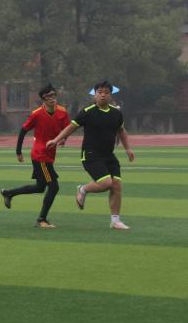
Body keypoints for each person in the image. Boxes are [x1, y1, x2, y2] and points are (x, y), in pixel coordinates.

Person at [46, 80, 135, 231]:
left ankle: (115, 221)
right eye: (99, 92)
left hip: (109, 155)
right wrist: (56, 140)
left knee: (116, 186)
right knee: (106, 183)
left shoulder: (116, 113)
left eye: (106, 93)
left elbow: (121, 131)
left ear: (110, 95)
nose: (103, 95)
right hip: (91, 154)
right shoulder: (87, 112)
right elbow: (71, 127)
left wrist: (128, 149)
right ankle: (83, 189)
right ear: (94, 95)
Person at [0, 84, 71, 229]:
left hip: (50, 155)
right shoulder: (36, 114)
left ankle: (9, 193)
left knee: (40, 187)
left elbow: (68, 128)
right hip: (40, 155)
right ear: (43, 99)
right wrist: (18, 151)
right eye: (49, 96)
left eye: (54, 95)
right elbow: (23, 130)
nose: (52, 98)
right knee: (54, 187)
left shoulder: (62, 112)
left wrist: (64, 138)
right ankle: (41, 219)